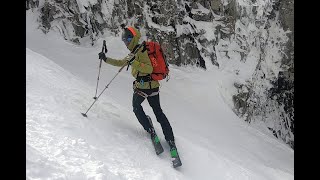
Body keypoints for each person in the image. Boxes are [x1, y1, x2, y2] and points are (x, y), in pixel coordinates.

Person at [98, 26, 178, 156]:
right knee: (158, 112)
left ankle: (150, 130)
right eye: (125, 41)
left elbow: (149, 69)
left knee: (136, 107)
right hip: (153, 87)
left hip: (143, 86)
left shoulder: (141, 51)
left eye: (128, 40)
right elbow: (120, 63)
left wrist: (134, 62)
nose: (126, 43)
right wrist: (105, 58)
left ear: (133, 38)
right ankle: (171, 140)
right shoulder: (136, 50)